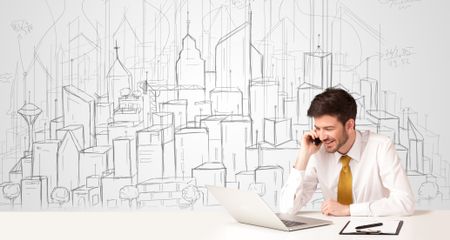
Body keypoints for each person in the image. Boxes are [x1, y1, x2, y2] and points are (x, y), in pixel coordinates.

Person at [279, 88, 415, 217]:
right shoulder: (318, 151)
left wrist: (348, 210)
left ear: (350, 125)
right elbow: (287, 210)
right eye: (318, 128)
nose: (321, 136)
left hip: (374, 231)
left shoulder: (381, 147)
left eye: (329, 128)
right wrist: (304, 155)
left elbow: (405, 202)